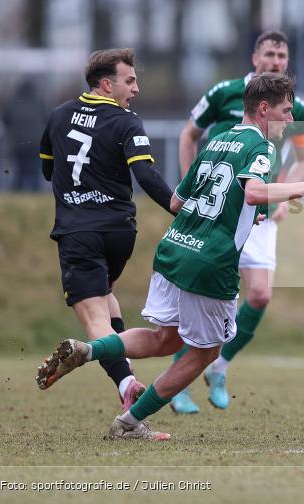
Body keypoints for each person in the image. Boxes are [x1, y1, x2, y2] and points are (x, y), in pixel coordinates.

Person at [36, 72, 304, 440]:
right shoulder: (262, 148)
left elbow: (180, 201)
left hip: (174, 248)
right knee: (204, 354)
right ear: (264, 109)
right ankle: (129, 423)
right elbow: (253, 192)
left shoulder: (216, 142)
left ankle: (89, 350)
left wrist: (256, 206)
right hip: (210, 264)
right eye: (285, 110)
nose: (290, 120)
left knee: (164, 340)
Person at [170, 30, 304, 414]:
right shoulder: (225, 93)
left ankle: (219, 366)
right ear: (255, 58)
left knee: (260, 295)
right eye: (270, 53)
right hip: (222, 210)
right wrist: (193, 190)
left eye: (283, 55)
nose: (277, 61)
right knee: (214, 295)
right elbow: (189, 135)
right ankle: (177, 380)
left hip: (261, 207)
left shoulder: (292, 105)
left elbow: (302, 157)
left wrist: (284, 191)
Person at [37, 48, 176, 411]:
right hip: (119, 232)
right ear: (105, 84)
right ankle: (125, 368)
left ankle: (125, 382)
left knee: (95, 318)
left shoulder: (58, 115)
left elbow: (48, 169)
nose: (136, 88)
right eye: (129, 81)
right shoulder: (126, 122)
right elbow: (145, 175)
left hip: (78, 232)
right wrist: (181, 209)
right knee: (106, 295)